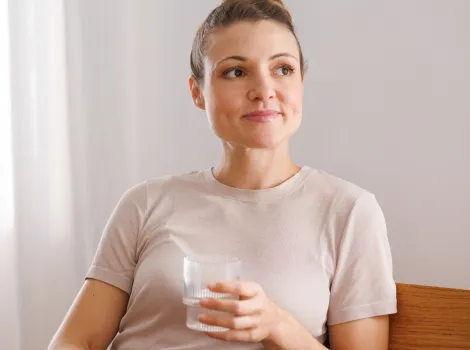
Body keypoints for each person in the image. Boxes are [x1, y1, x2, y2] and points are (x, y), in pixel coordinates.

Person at [49, 0, 397, 349]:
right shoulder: (145, 203)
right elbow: (76, 342)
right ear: (197, 92)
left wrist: (277, 325)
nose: (264, 90)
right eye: (235, 71)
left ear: (301, 82)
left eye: (283, 69)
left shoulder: (349, 212)